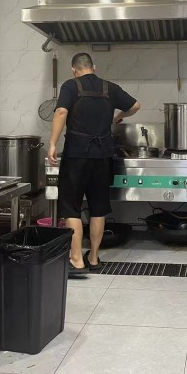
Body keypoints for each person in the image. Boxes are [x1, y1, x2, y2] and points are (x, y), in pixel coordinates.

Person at [48, 52, 140, 275]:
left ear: (74, 70)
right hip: (103, 156)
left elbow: (61, 111)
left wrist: (52, 144)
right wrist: (117, 118)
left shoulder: (70, 86)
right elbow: (136, 105)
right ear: (94, 67)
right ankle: (94, 257)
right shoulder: (109, 88)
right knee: (98, 207)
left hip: (76, 155)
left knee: (72, 207)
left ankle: (77, 260)